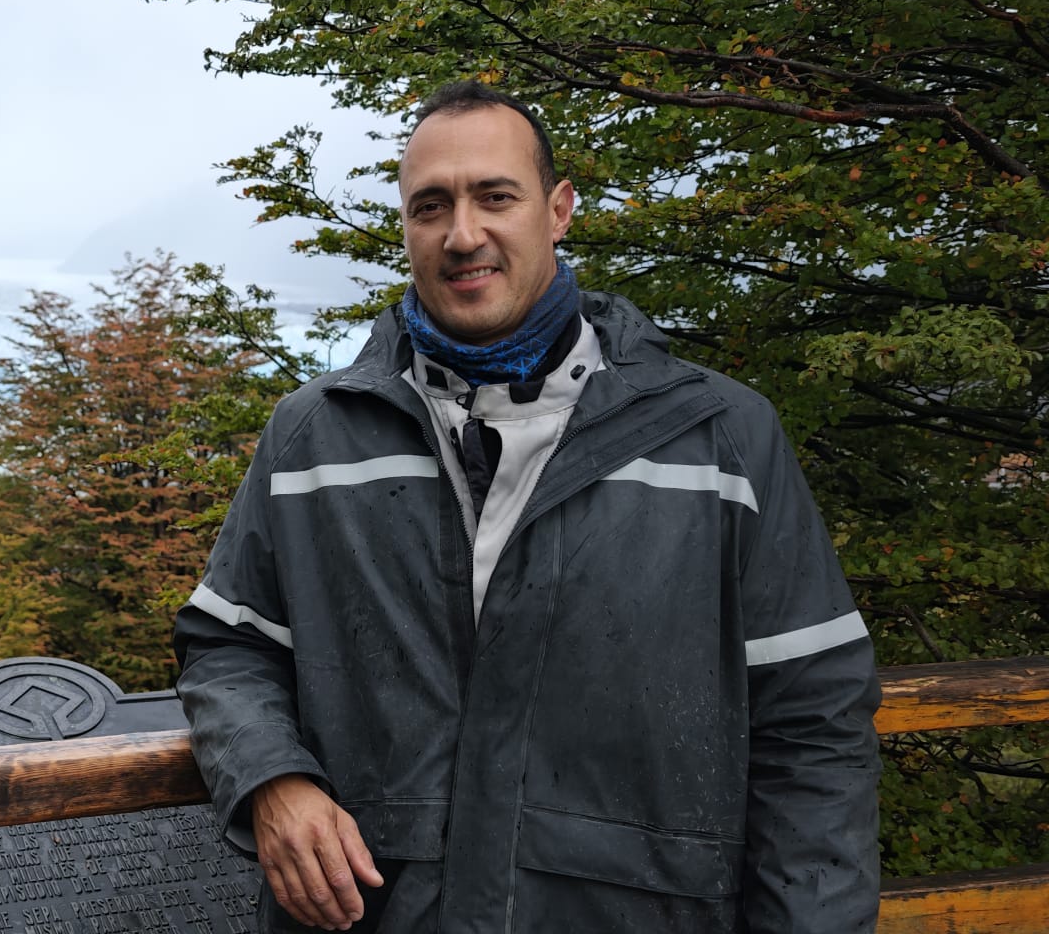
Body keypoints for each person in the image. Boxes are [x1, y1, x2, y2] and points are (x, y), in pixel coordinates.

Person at [172, 80, 881, 932]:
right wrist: (270, 780)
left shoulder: (719, 437)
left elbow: (814, 724)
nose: (462, 233)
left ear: (559, 210)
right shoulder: (313, 437)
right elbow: (228, 645)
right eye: (431, 206)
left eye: (495, 196)